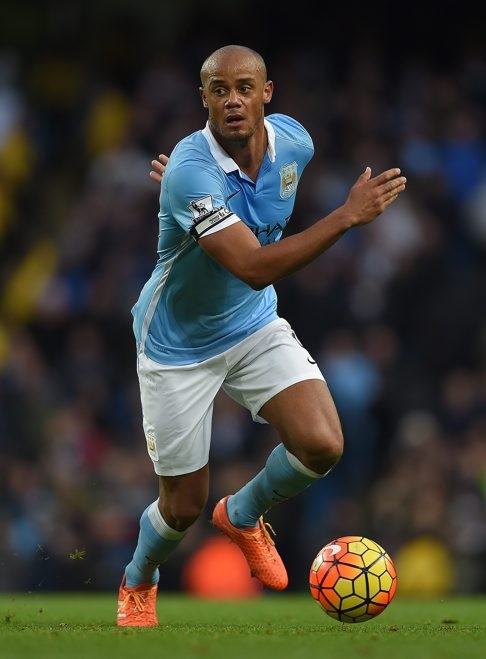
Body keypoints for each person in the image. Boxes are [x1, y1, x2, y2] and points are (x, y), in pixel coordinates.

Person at [116, 44, 406, 627]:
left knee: (323, 443)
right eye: (219, 90)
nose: (233, 100)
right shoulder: (191, 173)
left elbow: (254, 243)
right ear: (203, 98)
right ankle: (138, 580)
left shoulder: (294, 142)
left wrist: (194, 193)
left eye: (245, 87)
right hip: (178, 346)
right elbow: (252, 265)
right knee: (182, 507)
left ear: (267, 93)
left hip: (251, 321)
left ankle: (244, 515)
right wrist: (345, 216)